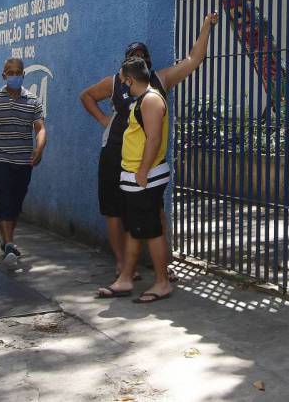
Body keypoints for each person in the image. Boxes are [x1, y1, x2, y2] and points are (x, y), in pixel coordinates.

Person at [79, 14, 217, 278]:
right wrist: (104, 120)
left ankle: (161, 267)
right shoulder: (116, 81)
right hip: (114, 154)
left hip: (147, 159)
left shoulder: (160, 80)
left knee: (153, 211)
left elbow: (193, 60)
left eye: (143, 56)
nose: (139, 60)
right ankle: (122, 265)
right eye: (134, 56)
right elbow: (86, 96)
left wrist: (205, 27)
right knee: (115, 211)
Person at [96, 57, 174, 303]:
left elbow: (153, 139)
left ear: (130, 79)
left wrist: (141, 171)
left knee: (151, 231)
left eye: (123, 80)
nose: (122, 85)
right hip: (135, 178)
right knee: (136, 229)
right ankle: (126, 278)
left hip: (145, 179)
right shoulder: (142, 100)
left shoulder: (150, 100)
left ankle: (162, 282)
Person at [0, 57, 47, 261]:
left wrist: (39, 149)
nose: (14, 75)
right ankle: (8, 243)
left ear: (23, 75)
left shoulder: (33, 101)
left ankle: (7, 238)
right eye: (10, 72)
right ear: (3, 75)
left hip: (24, 159)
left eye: (18, 72)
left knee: (16, 201)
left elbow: (40, 128)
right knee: (4, 196)